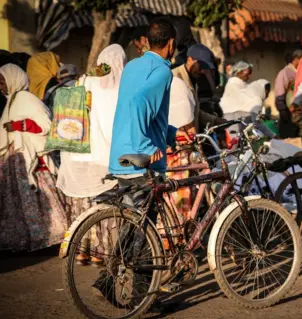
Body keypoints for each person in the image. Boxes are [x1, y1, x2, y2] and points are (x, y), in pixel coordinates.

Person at [56, 44, 127, 265]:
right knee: (104, 207)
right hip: (104, 159)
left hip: (77, 155)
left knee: (81, 205)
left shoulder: (85, 81)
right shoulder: (121, 91)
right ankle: (100, 253)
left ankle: (80, 251)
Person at [0, 64, 67, 251]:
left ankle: (48, 236)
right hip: (16, 160)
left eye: (3, 81)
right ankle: (22, 239)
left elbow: (47, 124)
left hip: (33, 162)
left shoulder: (27, 99)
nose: (1, 86)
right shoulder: (11, 101)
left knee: (38, 199)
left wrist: (20, 125)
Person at [109, 18, 189, 177]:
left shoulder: (131, 66)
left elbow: (140, 114)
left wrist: (171, 133)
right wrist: (146, 147)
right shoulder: (162, 71)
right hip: (143, 165)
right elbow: (139, 103)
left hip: (120, 159)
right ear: (171, 43)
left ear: (148, 41)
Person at [172, 44, 226, 135]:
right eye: (201, 67)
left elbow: (194, 111)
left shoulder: (193, 80)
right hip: (177, 139)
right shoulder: (174, 78)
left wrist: (216, 120)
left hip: (190, 138)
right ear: (190, 60)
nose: (204, 71)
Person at [275, 49, 302, 138]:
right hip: (289, 115)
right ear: (297, 59)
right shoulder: (285, 73)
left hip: (301, 113)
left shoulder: (301, 72)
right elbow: (280, 94)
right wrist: (283, 111)